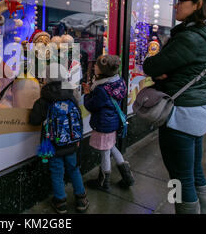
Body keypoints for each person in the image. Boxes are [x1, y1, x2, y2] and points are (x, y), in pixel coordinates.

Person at [142, 0, 206, 214]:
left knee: (179, 179)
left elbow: (151, 65)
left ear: (198, 5)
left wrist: (159, 66)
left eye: (182, 0)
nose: (176, 5)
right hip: (199, 109)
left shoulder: (191, 37)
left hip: (181, 115)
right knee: (194, 172)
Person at [29, 64, 89, 214]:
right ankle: (81, 199)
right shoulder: (72, 94)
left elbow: (34, 120)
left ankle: (60, 202)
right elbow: (78, 118)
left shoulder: (44, 98)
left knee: (57, 172)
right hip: (71, 143)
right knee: (74, 170)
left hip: (53, 145)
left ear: (47, 77)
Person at [82, 55, 134, 192]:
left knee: (105, 152)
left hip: (103, 123)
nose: (94, 66)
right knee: (111, 147)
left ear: (102, 70)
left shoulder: (101, 89)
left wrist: (87, 94)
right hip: (113, 121)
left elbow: (91, 106)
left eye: (97, 66)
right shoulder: (118, 82)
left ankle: (104, 182)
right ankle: (127, 176)